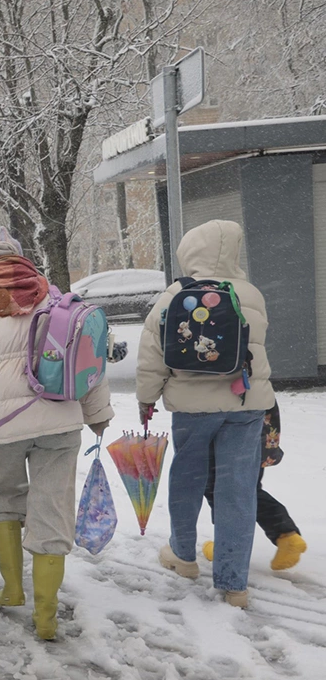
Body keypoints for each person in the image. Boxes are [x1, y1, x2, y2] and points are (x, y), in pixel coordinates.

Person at [0, 227, 112, 641]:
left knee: (3, 495)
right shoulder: (51, 295)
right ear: (24, 262)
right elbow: (87, 353)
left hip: (0, 426)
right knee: (52, 508)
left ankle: (13, 588)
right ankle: (47, 616)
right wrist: (97, 414)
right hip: (60, 417)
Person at [137, 219, 275, 608]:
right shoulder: (250, 293)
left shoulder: (176, 294)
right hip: (245, 404)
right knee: (236, 491)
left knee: (188, 477)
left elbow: (152, 353)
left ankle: (183, 555)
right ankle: (234, 585)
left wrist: (147, 398)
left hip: (192, 406)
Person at [202, 402, 307, 571]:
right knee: (248, 490)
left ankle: (227, 545)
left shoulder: (227, 378)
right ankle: (286, 535)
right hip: (259, 434)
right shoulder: (257, 377)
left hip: (234, 435)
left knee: (220, 489)